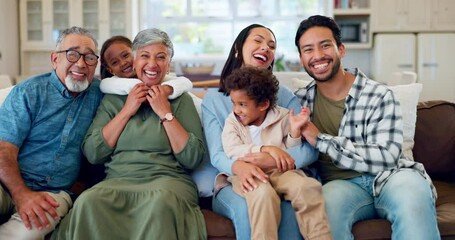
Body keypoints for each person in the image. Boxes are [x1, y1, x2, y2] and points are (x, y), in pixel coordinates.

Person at [51, 28, 207, 239]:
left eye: (160, 57)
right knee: (89, 201)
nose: (152, 64)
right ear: (135, 61)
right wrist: (127, 110)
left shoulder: (180, 99)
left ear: (168, 64)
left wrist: (164, 112)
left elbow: (193, 157)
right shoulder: (114, 99)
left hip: (168, 181)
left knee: (160, 202)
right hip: (118, 180)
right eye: (145, 56)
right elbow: (93, 152)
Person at [294, 15, 440, 239]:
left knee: (414, 195)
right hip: (339, 185)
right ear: (301, 58)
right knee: (323, 209)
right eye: (308, 49)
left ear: (341, 49)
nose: (318, 55)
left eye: (325, 45)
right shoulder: (298, 103)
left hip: (391, 176)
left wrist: (321, 139)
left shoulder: (379, 95)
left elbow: (386, 157)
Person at [201, 23, 319, 239]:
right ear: (238, 47)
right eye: (258, 40)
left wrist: (271, 161)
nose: (266, 47)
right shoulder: (214, 101)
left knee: (291, 208)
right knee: (253, 205)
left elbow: (310, 150)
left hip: (282, 175)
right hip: (234, 179)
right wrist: (239, 166)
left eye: (271, 45)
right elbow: (218, 154)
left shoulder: (284, 97)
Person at [0, 26, 103, 239]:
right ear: (55, 59)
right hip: (6, 183)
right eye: (72, 54)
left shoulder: (101, 95)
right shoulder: (28, 92)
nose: (81, 63)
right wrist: (22, 194)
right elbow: (4, 149)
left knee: (21, 236)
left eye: (90, 57)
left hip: (55, 193)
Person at [222, 67, 332, 240]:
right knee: (263, 195)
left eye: (242, 104)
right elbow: (232, 149)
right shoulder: (232, 121)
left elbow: (289, 150)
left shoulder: (282, 117)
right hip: (249, 174)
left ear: (264, 105)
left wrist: (295, 132)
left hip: (282, 172)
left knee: (307, 187)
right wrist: (265, 149)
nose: (236, 110)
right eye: (234, 103)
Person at [98, 35, 192, 102]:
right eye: (115, 62)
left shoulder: (154, 75)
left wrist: (167, 89)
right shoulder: (112, 85)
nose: (123, 63)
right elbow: (104, 84)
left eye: (126, 55)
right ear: (111, 70)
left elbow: (186, 82)